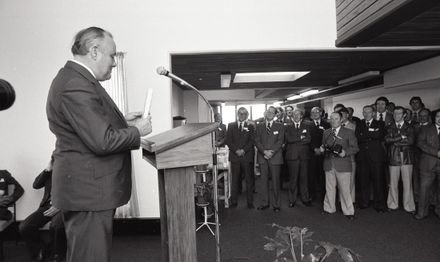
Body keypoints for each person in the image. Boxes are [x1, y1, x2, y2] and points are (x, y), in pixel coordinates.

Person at [46, 27, 152, 262]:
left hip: (88, 192)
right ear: (94, 51)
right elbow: (102, 141)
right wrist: (137, 131)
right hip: (89, 194)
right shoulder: (76, 83)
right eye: (112, 55)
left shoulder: (76, 80)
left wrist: (122, 121)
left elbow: (87, 128)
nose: (114, 63)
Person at [19, 157, 65, 262]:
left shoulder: (72, 172)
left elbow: (75, 193)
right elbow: (36, 185)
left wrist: (60, 205)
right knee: (24, 227)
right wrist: (47, 169)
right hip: (47, 206)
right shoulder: (49, 172)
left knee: (56, 226)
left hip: (63, 207)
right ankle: (41, 250)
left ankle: (57, 254)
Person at [320, 111, 359, 220]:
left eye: (336, 118)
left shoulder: (348, 132)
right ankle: (329, 208)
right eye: (331, 119)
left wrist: (345, 152)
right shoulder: (326, 132)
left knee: (345, 189)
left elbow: (355, 148)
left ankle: (349, 211)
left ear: (341, 120)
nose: (333, 121)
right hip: (329, 163)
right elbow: (324, 145)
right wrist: (322, 149)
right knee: (329, 188)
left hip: (343, 165)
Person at [355, 105, 387, 212]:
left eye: (368, 112)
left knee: (378, 182)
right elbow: (357, 138)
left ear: (373, 113)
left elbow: (378, 134)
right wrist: (370, 134)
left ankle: (379, 205)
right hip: (363, 157)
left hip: (376, 158)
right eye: (364, 112)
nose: (366, 114)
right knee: (363, 181)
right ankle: (364, 202)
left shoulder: (380, 124)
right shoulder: (359, 124)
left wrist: (365, 134)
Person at [385, 106, 416, 214]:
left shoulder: (410, 127)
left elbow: (411, 141)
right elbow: (387, 140)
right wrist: (401, 137)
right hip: (393, 156)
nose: (396, 116)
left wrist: (396, 142)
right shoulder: (389, 127)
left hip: (407, 157)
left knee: (407, 183)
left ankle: (409, 206)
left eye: (399, 113)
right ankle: (393, 204)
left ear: (404, 115)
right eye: (395, 114)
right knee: (393, 183)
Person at [254, 106, 284, 212]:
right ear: (265, 113)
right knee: (263, 182)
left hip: (275, 157)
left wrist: (271, 152)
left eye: (272, 112)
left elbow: (280, 141)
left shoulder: (280, 126)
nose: (270, 113)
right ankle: (265, 203)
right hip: (263, 157)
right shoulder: (259, 126)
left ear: (275, 114)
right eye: (268, 111)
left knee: (276, 182)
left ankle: (276, 204)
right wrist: (264, 152)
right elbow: (257, 140)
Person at [226, 107, 255, 209]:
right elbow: (228, 141)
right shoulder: (231, 125)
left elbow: (252, 141)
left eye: (244, 114)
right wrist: (236, 150)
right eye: (240, 113)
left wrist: (243, 150)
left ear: (247, 115)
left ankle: (250, 202)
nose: (242, 115)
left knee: (249, 180)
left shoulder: (251, 126)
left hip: (246, 156)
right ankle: (234, 202)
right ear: (237, 114)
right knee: (235, 180)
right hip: (235, 157)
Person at [415, 111, 440, 220]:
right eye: (438, 116)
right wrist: (437, 153)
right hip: (427, 164)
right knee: (424, 190)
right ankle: (422, 212)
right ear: (434, 118)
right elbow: (421, 143)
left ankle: (438, 210)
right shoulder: (425, 129)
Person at [285, 108, 312, 207]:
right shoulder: (287, 127)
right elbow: (288, 139)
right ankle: (292, 199)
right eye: (294, 114)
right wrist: (300, 138)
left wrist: (295, 139)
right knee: (293, 179)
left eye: (298, 114)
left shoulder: (307, 126)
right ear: (292, 116)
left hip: (304, 156)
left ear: (301, 116)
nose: (296, 116)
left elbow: (308, 139)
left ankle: (305, 198)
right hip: (292, 156)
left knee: (304, 179)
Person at [308, 107, 330, 201]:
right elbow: (307, 139)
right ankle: (312, 195)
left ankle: (324, 196)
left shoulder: (327, 124)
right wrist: (314, 148)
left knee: (323, 176)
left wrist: (322, 148)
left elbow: (330, 138)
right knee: (311, 176)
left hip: (324, 154)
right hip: (311, 154)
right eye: (313, 112)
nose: (315, 113)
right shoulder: (307, 125)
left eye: (317, 112)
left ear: (321, 113)